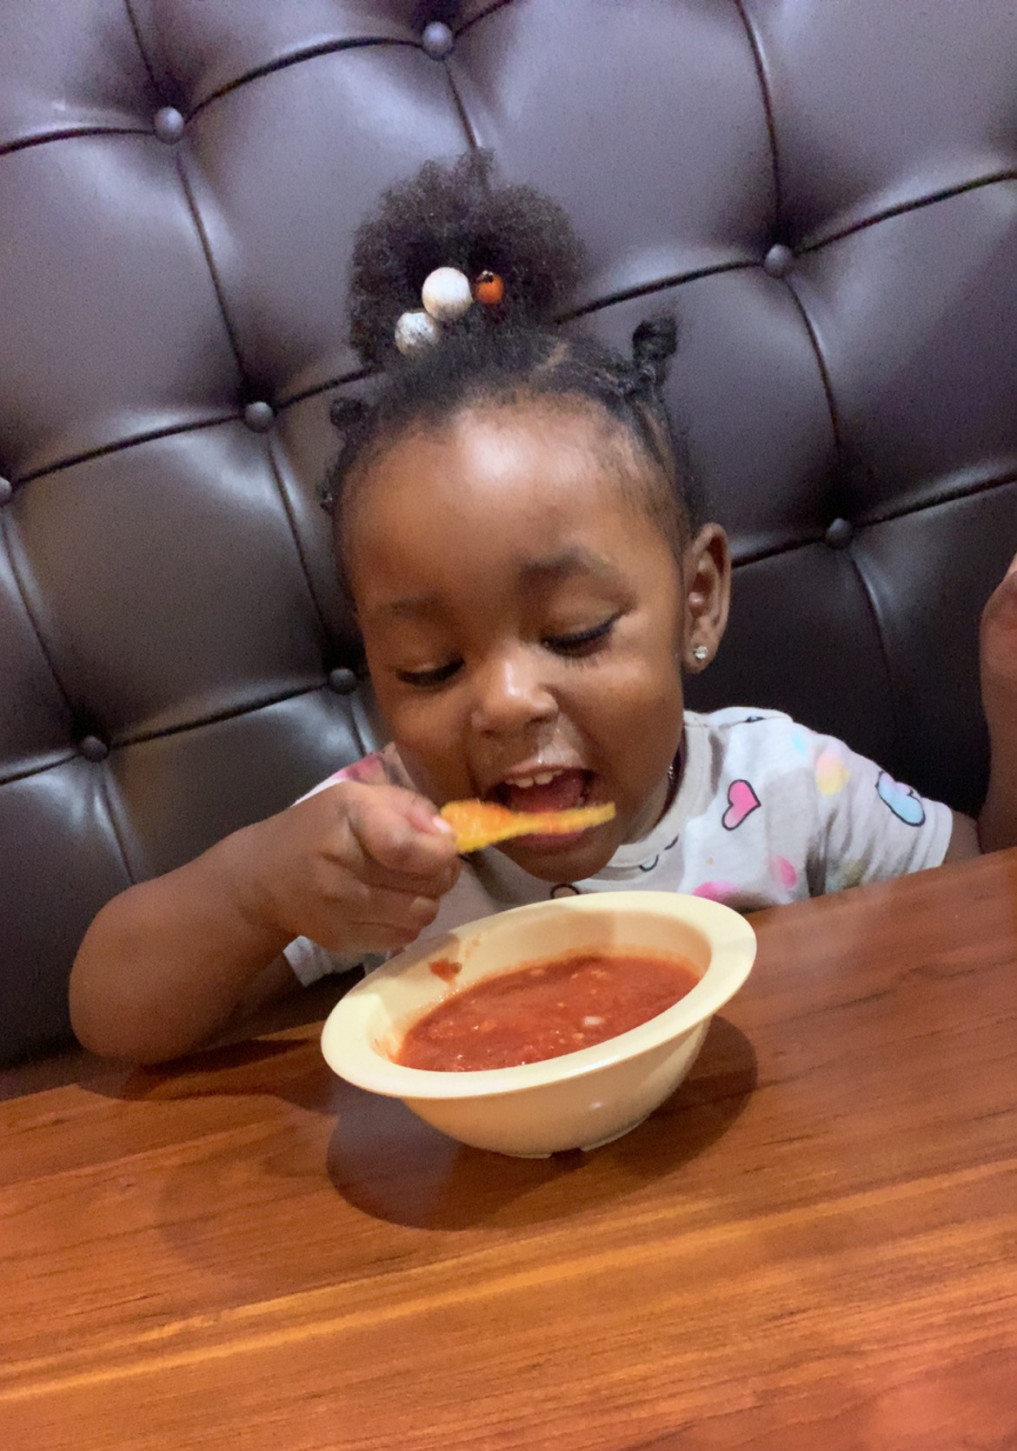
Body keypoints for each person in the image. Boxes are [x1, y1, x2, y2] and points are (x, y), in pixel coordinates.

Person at [69, 157, 1017, 1064]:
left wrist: (1009, 707)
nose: (506, 701)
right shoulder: (381, 838)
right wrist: (256, 891)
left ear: (696, 600)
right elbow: (112, 1014)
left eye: (573, 632)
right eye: (429, 668)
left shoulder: (784, 787)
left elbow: (984, 891)